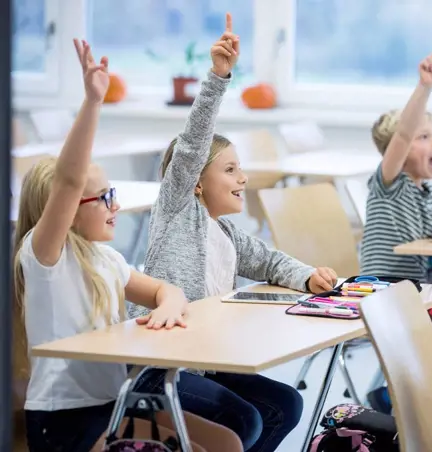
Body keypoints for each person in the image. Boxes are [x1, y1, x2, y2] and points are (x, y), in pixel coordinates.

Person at [127, 13, 336, 452]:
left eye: (241, 168)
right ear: (196, 182)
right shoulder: (177, 210)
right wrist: (218, 78)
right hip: (160, 367)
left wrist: (307, 276)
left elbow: (271, 260)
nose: (243, 178)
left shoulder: (227, 233)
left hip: (205, 362)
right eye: (230, 169)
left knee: (286, 405)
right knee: (244, 418)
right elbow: (192, 144)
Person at [13, 39, 190, 452]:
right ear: (70, 209)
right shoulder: (45, 257)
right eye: (105, 197)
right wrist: (93, 101)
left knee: (229, 440)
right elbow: (69, 180)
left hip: (113, 404)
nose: (117, 205)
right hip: (62, 415)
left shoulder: (105, 258)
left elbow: (168, 291)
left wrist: (166, 306)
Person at [359, 40, 432, 282]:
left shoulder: (428, 194)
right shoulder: (390, 184)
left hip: (414, 288)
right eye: (424, 137)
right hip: (382, 289)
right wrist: (425, 87)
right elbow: (404, 134)